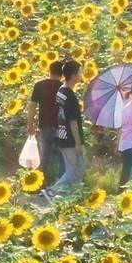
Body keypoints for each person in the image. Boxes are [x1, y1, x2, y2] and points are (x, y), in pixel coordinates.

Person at [26, 60, 64, 187]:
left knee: (44, 156)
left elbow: (32, 106)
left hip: (45, 125)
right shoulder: (64, 88)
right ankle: (61, 184)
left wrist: (30, 125)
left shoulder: (39, 85)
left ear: (49, 71)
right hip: (61, 126)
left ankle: (41, 185)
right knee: (61, 156)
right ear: (62, 74)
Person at [50, 60, 85, 194]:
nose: (82, 75)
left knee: (75, 170)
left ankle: (70, 197)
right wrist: (78, 143)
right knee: (75, 171)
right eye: (80, 72)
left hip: (61, 135)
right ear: (74, 75)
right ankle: (52, 191)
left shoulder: (61, 91)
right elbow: (73, 121)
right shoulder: (70, 95)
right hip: (70, 139)